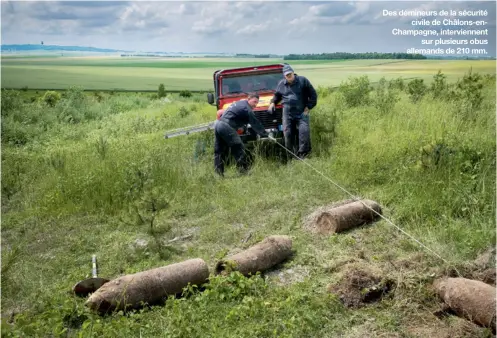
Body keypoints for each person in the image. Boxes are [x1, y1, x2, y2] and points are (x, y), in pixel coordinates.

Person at [267, 64, 318, 159]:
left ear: (293, 72)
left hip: (302, 111)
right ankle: (291, 156)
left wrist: (309, 106)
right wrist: (273, 102)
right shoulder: (281, 84)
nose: (289, 76)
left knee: (304, 132)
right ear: (284, 76)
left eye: (290, 74)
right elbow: (277, 95)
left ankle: (303, 155)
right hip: (287, 113)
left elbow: (313, 94)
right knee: (288, 134)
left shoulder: (303, 81)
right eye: (287, 75)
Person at [214, 93, 268, 176]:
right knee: (239, 147)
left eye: (257, 102)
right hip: (226, 126)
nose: (255, 105)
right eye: (254, 102)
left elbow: (237, 118)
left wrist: (242, 127)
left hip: (218, 124)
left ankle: (218, 174)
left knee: (219, 151)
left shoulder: (240, 103)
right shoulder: (247, 109)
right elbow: (255, 123)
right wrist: (264, 134)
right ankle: (244, 171)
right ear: (249, 99)